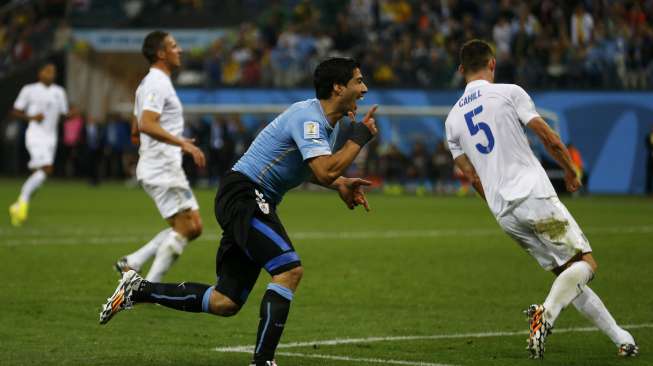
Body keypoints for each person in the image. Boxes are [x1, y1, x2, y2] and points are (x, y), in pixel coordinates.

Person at [100, 57, 376, 366]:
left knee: (225, 301)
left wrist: (339, 184)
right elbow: (324, 171)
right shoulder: (308, 118)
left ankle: (139, 289)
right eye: (358, 81)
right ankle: (263, 362)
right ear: (339, 87)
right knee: (289, 270)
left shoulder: (330, 124)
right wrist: (359, 139)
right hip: (245, 193)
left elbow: (312, 170)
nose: (364, 88)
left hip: (250, 197)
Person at [444, 39, 638, 359]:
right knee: (586, 265)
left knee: (567, 277)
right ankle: (543, 316)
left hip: (503, 212)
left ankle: (622, 338)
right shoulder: (509, 92)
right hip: (533, 194)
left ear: (461, 70)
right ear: (492, 64)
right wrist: (571, 170)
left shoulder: (451, 120)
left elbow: (471, 176)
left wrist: (495, 201)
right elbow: (547, 136)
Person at [113, 31, 205, 283]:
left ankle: (132, 262)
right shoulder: (157, 82)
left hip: (160, 165)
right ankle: (146, 289)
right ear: (161, 53)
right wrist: (182, 144)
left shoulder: (147, 84)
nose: (180, 50)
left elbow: (135, 129)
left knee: (192, 227)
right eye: (174, 46)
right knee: (188, 227)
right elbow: (146, 123)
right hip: (162, 167)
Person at [9, 63, 68, 226]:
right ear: (40, 72)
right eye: (48, 71)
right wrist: (32, 117)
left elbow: (63, 114)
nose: (51, 74)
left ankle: (17, 207)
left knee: (40, 176)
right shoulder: (29, 89)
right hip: (35, 135)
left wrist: (70, 114)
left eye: (53, 72)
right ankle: (22, 202)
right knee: (46, 169)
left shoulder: (59, 92)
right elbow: (15, 111)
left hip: (51, 138)